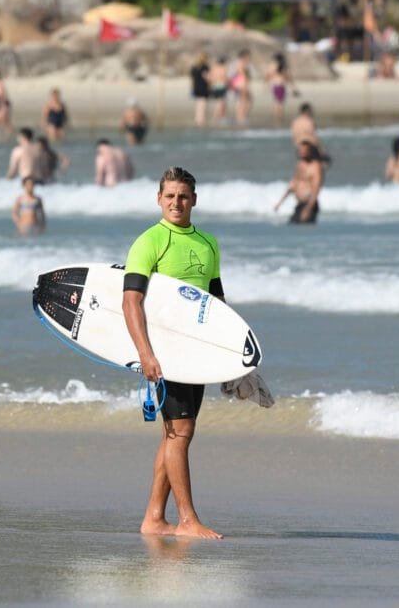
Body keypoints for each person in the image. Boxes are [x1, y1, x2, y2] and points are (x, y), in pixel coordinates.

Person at [122, 166, 224, 539]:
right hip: (165, 352)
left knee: (175, 435)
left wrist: (232, 361)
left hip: (195, 353)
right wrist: (146, 354)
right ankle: (187, 521)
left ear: (194, 199)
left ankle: (153, 518)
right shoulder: (150, 241)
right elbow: (130, 302)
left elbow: (217, 305)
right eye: (169, 196)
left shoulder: (208, 243)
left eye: (183, 196)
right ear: (158, 199)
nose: (176, 203)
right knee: (180, 432)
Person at [274, 138, 325, 224]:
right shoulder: (300, 164)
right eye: (300, 150)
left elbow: (316, 189)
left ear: (310, 151)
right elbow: (293, 184)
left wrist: (308, 209)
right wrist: (280, 202)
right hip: (299, 204)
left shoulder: (315, 167)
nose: (301, 152)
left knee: (305, 231)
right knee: (292, 226)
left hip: (309, 204)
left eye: (304, 150)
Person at [264, 53, 298, 125]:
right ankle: (279, 120)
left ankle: (278, 119)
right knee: (280, 105)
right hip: (280, 86)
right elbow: (288, 77)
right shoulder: (281, 66)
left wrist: (266, 86)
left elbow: (267, 76)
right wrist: (293, 88)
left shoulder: (272, 66)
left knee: (277, 104)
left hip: (275, 86)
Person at [230, 50, 252, 126]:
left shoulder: (238, 62)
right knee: (244, 100)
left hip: (239, 83)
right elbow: (242, 73)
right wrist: (246, 82)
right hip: (241, 83)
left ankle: (241, 116)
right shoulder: (241, 63)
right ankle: (241, 117)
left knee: (244, 100)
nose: (249, 58)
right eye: (248, 56)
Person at [189, 53, 210, 127]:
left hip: (196, 88)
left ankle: (197, 119)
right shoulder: (205, 67)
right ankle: (201, 120)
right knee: (202, 105)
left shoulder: (194, 67)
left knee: (198, 105)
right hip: (203, 88)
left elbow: (192, 79)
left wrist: (191, 88)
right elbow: (207, 78)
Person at [208, 56, 229, 124]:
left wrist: (211, 84)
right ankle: (216, 118)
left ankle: (221, 117)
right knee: (221, 103)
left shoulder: (213, 68)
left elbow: (209, 77)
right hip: (221, 86)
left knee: (218, 102)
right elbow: (224, 77)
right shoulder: (223, 68)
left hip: (214, 86)